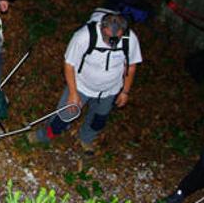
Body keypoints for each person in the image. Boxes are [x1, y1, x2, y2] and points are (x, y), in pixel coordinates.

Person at [31, 11, 142, 155]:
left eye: (116, 38)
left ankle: (86, 138)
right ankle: (45, 136)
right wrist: (73, 93)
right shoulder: (84, 37)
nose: (112, 42)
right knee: (64, 115)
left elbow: (131, 66)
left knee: (99, 119)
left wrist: (125, 91)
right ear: (102, 28)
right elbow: (69, 64)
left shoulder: (130, 39)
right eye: (109, 37)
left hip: (109, 90)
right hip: (82, 85)